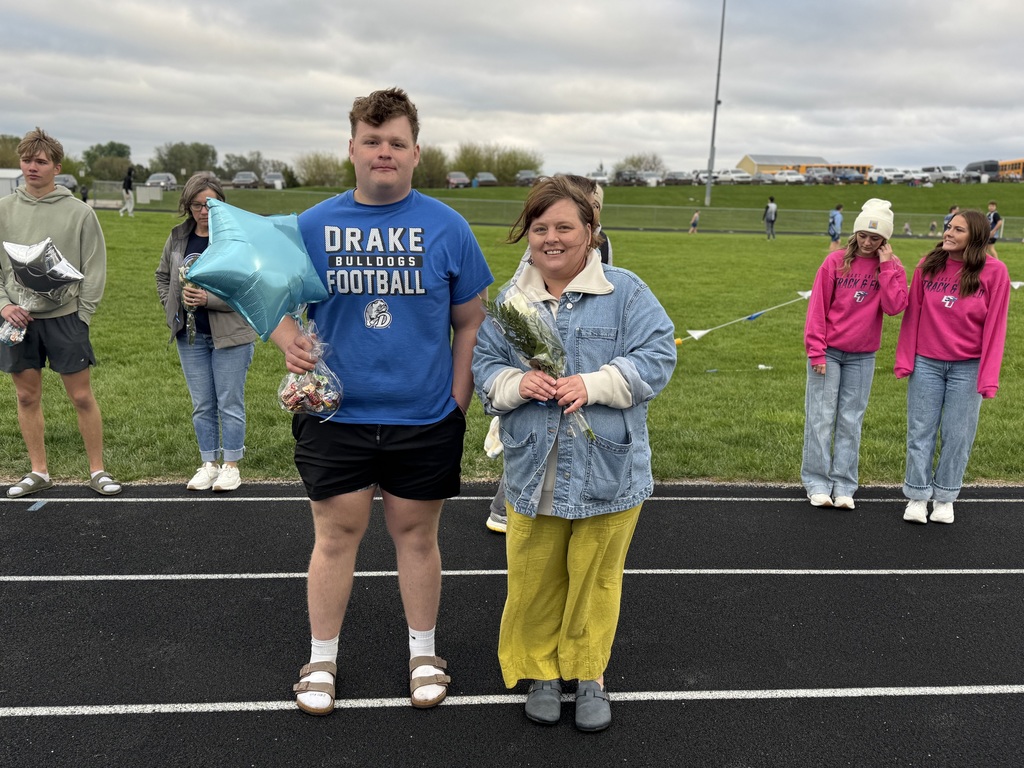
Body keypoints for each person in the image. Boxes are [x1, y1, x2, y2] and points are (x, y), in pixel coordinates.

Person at [271, 88, 493, 715]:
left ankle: (424, 652)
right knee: (335, 536)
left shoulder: (449, 226)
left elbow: (471, 321)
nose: (384, 152)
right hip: (335, 415)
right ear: (351, 149)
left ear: (416, 152)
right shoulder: (312, 225)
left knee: (416, 536)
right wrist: (290, 341)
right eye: (372, 141)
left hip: (424, 417)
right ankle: (321, 660)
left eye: (396, 142)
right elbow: (267, 298)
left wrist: (457, 398)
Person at [472, 175, 677, 732]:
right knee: (534, 576)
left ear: (590, 232)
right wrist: (517, 384)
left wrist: (596, 383)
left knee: (595, 578)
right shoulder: (512, 303)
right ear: (527, 234)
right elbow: (484, 368)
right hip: (531, 471)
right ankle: (540, 671)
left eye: (565, 226)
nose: (552, 239)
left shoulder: (627, 292)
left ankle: (589, 673)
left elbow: (658, 356)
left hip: (608, 472)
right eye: (540, 228)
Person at [485, 174, 612, 534]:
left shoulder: (605, 252)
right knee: (533, 433)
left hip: (584, 387)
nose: (597, 210)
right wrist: (520, 376)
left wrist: (597, 380)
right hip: (538, 380)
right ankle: (503, 506)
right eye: (593, 204)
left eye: (599, 206)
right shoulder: (539, 254)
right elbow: (516, 311)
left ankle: (584, 497)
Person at [0, 127, 121, 498]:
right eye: (26, 160)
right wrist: (4, 306)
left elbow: (95, 268)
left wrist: (82, 315)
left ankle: (97, 470)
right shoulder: (3, 209)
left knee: (81, 397)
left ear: (56, 166)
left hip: (66, 318)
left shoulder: (80, 212)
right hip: (17, 319)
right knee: (26, 396)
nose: (32, 167)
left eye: (40, 161)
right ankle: (39, 471)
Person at [895, 209, 1010, 525]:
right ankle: (918, 495)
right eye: (948, 227)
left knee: (958, 435)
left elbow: (996, 327)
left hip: (967, 368)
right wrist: (905, 359)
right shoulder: (928, 265)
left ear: (974, 237)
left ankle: (945, 497)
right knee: (920, 432)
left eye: (957, 229)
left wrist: (988, 377)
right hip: (926, 364)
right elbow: (913, 317)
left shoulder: (995, 272)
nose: (948, 232)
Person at [801, 199, 908, 510]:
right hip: (829, 353)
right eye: (863, 235)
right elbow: (817, 309)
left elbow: (894, 307)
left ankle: (844, 484)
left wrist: (887, 266)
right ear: (856, 232)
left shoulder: (892, 266)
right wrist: (816, 352)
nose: (867, 242)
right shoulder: (834, 262)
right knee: (821, 418)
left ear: (885, 240)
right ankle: (817, 482)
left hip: (863, 357)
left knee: (851, 420)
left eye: (875, 238)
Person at [155, 174, 257, 492]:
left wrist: (208, 300)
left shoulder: (235, 241)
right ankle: (209, 463)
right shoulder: (178, 237)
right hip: (191, 336)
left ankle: (231, 466)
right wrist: (173, 306)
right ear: (188, 205)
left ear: (221, 204)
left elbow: (247, 288)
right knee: (202, 404)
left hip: (230, 335)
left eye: (210, 204)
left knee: (229, 402)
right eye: (197, 204)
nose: (204, 210)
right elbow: (161, 276)